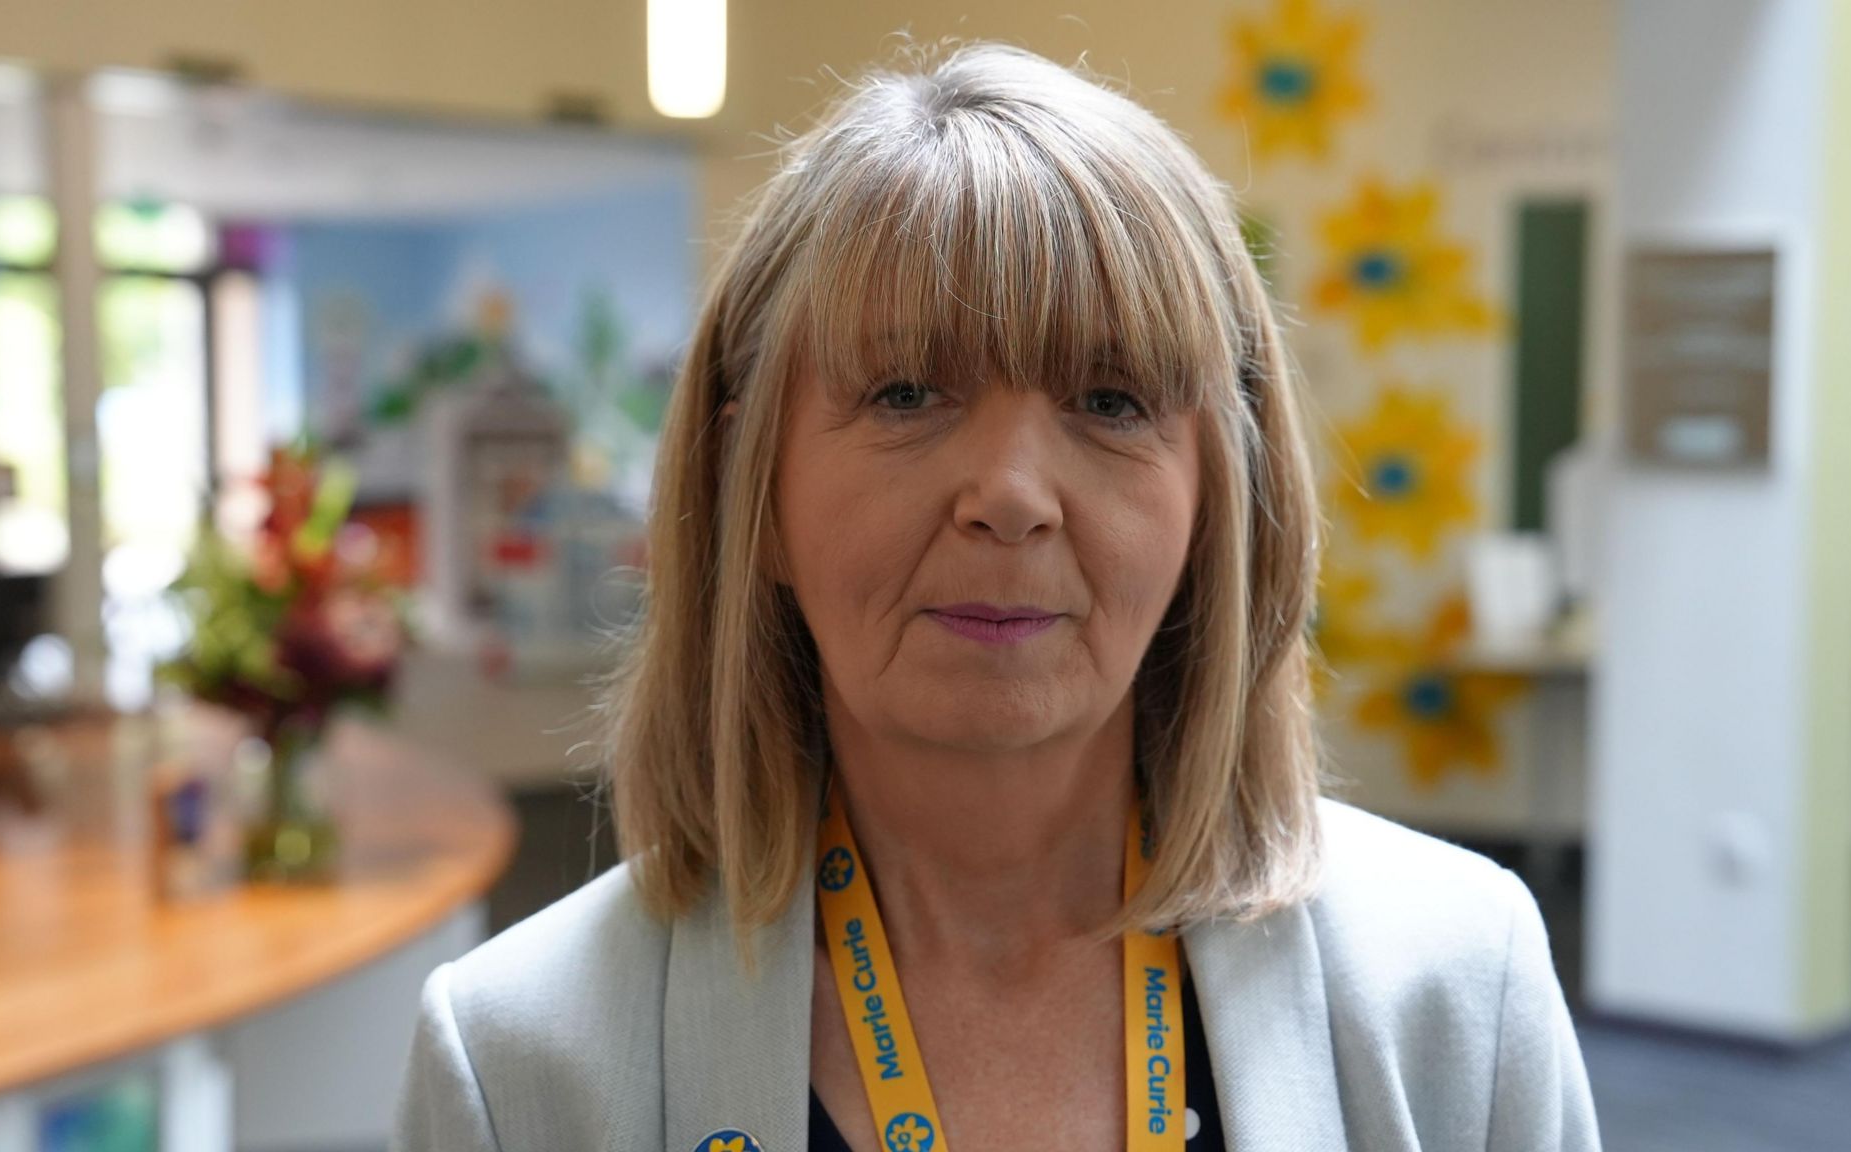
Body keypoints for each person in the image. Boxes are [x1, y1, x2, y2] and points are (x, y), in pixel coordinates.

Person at [393, 42, 1600, 1152]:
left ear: (1214, 506)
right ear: (747, 491)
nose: (1012, 497)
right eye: (908, 392)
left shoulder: (1458, 987)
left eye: (1111, 402)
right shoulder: (520, 1062)